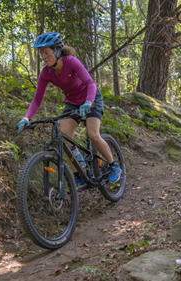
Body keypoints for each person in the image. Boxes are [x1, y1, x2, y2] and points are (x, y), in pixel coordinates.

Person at [17, 32, 121, 188]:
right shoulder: (46, 73)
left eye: (47, 52)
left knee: (93, 134)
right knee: (64, 136)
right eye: (41, 54)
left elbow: (91, 84)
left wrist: (88, 102)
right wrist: (26, 118)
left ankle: (114, 166)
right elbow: (37, 99)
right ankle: (78, 174)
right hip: (72, 101)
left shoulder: (71, 62)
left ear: (57, 51)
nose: (44, 57)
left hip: (91, 98)